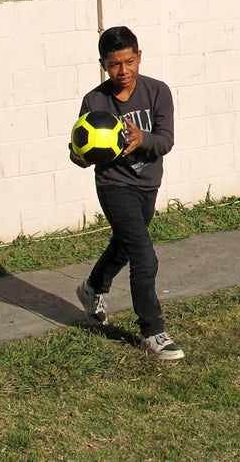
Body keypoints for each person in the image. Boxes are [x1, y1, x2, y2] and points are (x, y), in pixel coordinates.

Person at [70, 26, 183, 361]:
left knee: (123, 247)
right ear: (104, 64)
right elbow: (80, 152)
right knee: (143, 256)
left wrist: (142, 140)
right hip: (114, 185)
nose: (124, 71)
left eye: (129, 61)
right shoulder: (95, 101)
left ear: (139, 57)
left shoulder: (157, 92)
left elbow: (166, 141)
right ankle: (153, 331)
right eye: (115, 64)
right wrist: (78, 155)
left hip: (147, 184)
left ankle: (91, 288)